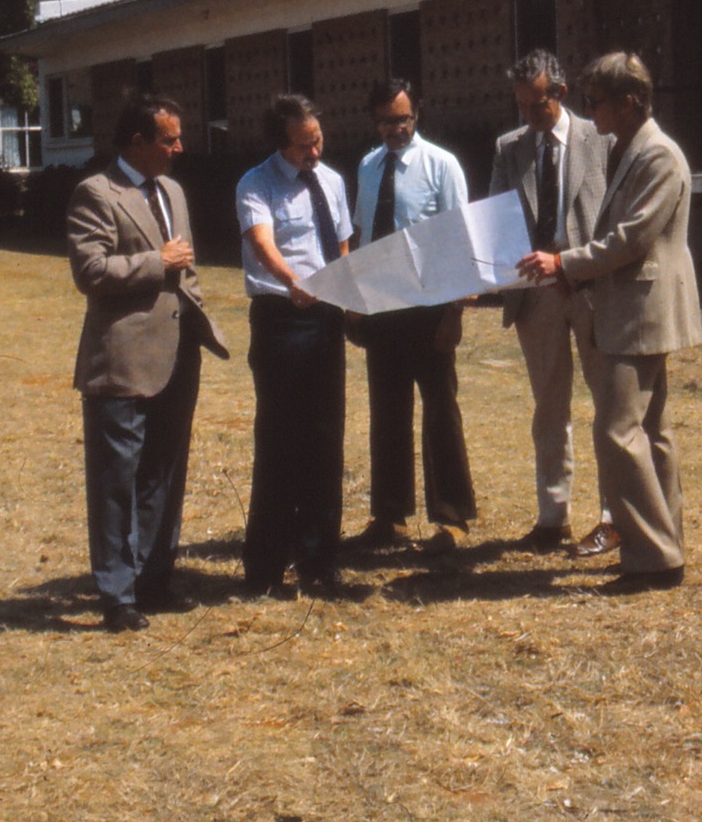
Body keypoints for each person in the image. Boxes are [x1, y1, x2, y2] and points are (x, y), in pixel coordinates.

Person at [516, 53, 701, 593]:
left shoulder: (658, 155)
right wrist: (577, 277)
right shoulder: (627, 149)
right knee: (651, 432)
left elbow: (631, 239)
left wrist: (564, 264)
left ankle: (652, 558)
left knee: (617, 431)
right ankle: (665, 544)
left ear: (629, 102)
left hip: (641, 312)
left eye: (595, 101)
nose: (588, 109)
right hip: (629, 306)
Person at [67, 94, 229, 632]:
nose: (180, 148)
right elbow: (90, 271)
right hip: (123, 360)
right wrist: (155, 262)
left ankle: (155, 580)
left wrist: (196, 316)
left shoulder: (173, 191)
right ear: (137, 142)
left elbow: (188, 267)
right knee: (117, 479)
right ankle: (118, 596)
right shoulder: (97, 192)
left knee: (164, 472)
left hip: (177, 354)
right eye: (169, 139)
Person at [488, 50, 618, 556]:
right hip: (535, 295)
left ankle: (612, 517)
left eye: (536, 105)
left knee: (609, 404)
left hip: (590, 289)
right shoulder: (509, 149)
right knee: (549, 406)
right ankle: (552, 515)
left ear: (561, 94)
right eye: (520, 106)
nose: (528, 115)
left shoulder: (601, 139)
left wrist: (572, 267)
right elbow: (497, 220)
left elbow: (615, 218)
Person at [348, 80, 478, 555]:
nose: (394, 129)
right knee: (387, 413)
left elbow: (460, 238)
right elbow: (362, 234)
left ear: (416, 115)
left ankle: (452, 518)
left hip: (429, 307)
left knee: (440, 410)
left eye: (402, 119)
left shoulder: (441, 165)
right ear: (375, 121)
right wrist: (355, 299)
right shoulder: (368, 166)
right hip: (382, 305)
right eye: (386, 121)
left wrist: (454, 313)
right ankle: (389, 516)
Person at [234, 94, 355, 599]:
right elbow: (262, 243)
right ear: (281, 143)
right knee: (281, 442)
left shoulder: (332, 180)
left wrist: (343, 287)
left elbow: (342, 241)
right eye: (305, 145)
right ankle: (265, 566)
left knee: (326, 441)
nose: (315, 152)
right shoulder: (256, 183)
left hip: (325, 318)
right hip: (282, 319)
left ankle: (319, 560)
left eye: (318, 140)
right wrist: (293, 282)